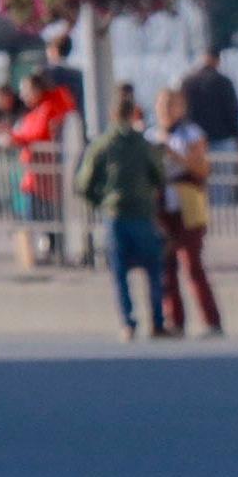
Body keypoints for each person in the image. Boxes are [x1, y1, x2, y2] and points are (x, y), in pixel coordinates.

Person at [73, 86, 170, 341]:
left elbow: (83, 184)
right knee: (153, 269)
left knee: (119, 273)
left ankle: (128, 323)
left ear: (111, 115)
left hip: (115, 214)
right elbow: (158, 175)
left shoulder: (101, 144)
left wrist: (100, 202)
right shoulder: (143, 144)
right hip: (142, 213)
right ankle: (158, 322)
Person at [153, 83, 224, 339]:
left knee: (192, 263)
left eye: (171, 105)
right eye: (162, 106)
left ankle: (211, 320)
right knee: (166, 265)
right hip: (164, 207)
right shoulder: (153, 136)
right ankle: (175, 320)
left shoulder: (191, 134)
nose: (166, 111)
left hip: (187, 205)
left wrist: (175, 155)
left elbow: (201, 169)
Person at [10, 66, 78, 268]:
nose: (22, 95)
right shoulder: (38, 110)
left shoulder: (48, 108)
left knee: (44, 218)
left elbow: (38, 134)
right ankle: (45, 252)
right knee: (39, 218)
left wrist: (14, 138)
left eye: (26, 90)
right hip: (37, 177)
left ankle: (50, 253)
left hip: (45, 178)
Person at [180, 47, 238, 151]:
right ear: (217, 61)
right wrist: (237, 132)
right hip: (221, 137)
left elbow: (182, 109)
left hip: (195, 139)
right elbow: (232, 110)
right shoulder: (224, 82)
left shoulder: (188, 82)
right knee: (223, 166)